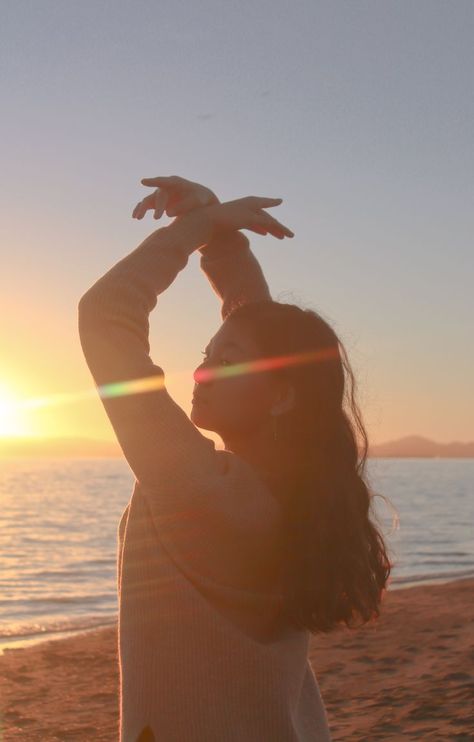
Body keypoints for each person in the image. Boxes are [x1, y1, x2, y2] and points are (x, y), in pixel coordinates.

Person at [78, 175, 392, 741]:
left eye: (226, 363)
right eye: (208, 354)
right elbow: (262, 332)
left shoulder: (201, 486)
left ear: (280, 397)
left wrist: (197, 226)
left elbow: (106, 314)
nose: (201, 372)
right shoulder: (297, 490)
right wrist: (219, 235)